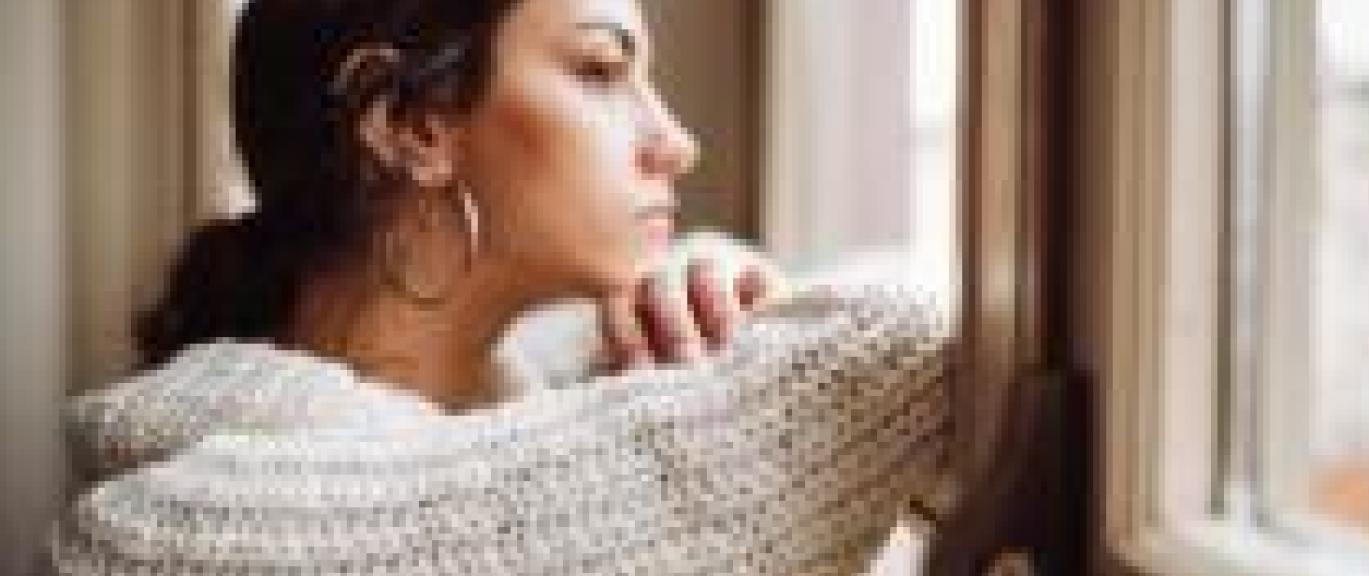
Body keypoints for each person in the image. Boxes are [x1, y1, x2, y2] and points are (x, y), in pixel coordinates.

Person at [50, 0, 960, 573]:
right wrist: (778, 336)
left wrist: (725, 297)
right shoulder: (180, 536)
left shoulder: (540, 408)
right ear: (410, 125)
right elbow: (899, 343)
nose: (676, 143)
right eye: (601, 71)